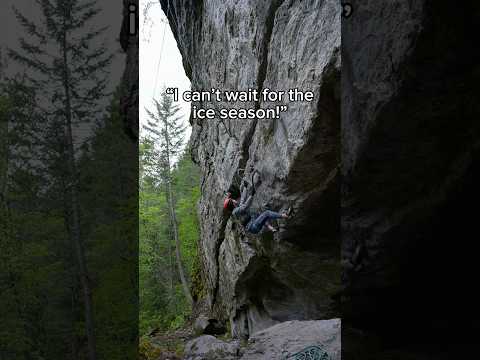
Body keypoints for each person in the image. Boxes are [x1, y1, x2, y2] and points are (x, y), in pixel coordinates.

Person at [224, 177, 291, 234]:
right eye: (232, 200)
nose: (234, 200)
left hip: (253, 224)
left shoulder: (237, 208)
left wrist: (245, 187)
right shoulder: (235, 211)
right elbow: (244, 206)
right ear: (231, 204)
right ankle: (285, 215)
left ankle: (271, 228)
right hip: (252, 226)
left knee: (258, 213)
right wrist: (251, 195)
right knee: (267, 213)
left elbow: (242, 200)